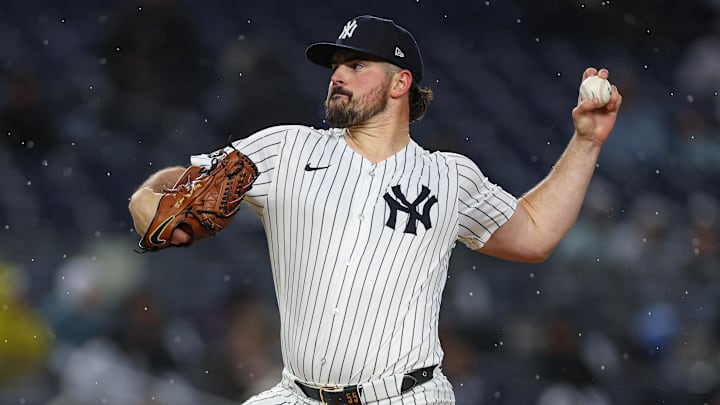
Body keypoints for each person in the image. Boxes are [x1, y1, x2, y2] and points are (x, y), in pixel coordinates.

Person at [128, 14, 622, 405]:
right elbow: (168, 205)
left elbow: (534, 234)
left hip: (407, 397)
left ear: (400, 82)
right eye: (335, 67)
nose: (337, 76)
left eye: (357, 65)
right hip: (298, 395)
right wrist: (147, 196)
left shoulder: (450, 177)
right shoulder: (284, 149)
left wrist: (585, 141)